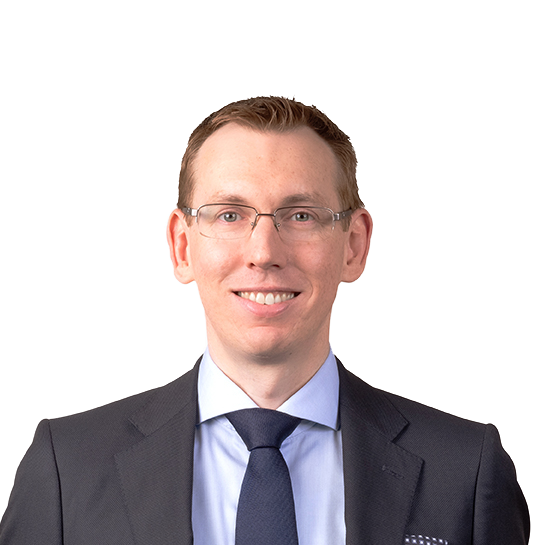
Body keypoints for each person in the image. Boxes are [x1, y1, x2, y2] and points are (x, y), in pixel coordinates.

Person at [0, 97, 529, 545]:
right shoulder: (66, 467)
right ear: (181, 246)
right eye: (230, 214)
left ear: (354, 245)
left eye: (301, 215)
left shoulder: (466, 470)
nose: (264, 252)